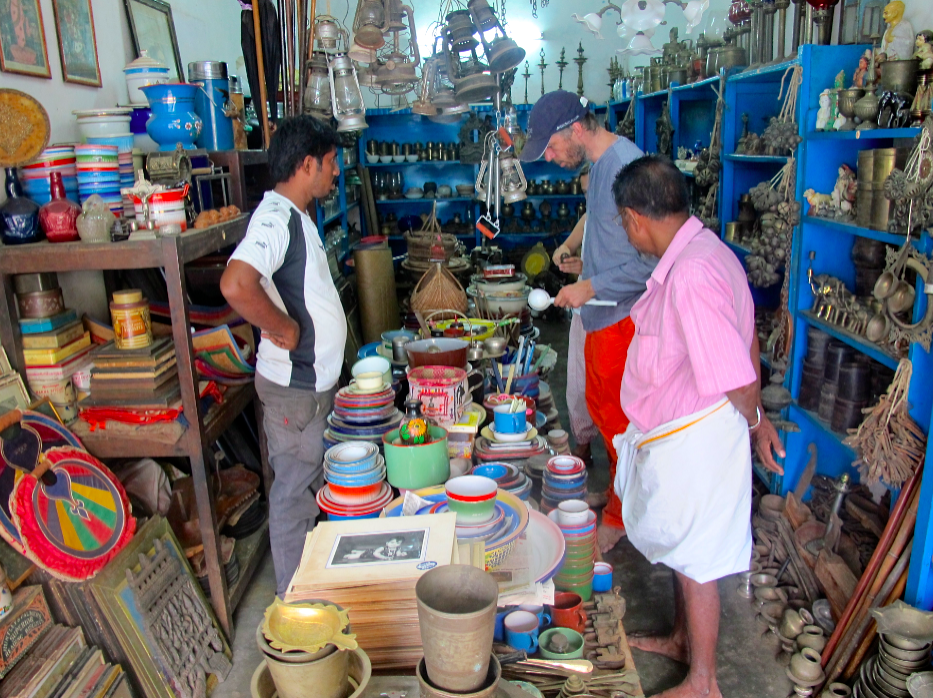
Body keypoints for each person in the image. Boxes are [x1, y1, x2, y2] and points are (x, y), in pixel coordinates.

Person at [611, 156, 784, 698]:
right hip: (683, 434)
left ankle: (704, 680)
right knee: (683, 551)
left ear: (636, 217)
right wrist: (759, 419)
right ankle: (683, 640)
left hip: (697, 437)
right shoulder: (710, 252)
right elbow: (748, 342)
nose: (625, 230)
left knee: (699, 559)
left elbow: (733, 371)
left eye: (622, 221)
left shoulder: (690, 274)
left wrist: (757, 423)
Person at [520, 90, 656, 552]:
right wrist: (586, 268)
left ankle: (620, 519)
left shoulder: (627, 169)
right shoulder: (598, 170)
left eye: (553, 147)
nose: (551, 157)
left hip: (624, 322)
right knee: (603, 414)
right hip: (602, 320)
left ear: (576, 129)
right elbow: (614, 244)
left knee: (623, 425)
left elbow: (651, 262)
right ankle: (618, 492)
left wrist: (591, 287)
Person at [220, 115, 346, 597]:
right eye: (331, 164)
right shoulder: (275, 218)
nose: (335, 173)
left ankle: (309, 588)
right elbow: (235, 283)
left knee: (308, 489)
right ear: (307, 163)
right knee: (294, 498)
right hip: (295, 394)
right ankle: (294, 610)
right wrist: (284, 328)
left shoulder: (296, 215)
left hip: (309, 391)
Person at [552, 166, 599, 469]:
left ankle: (616, 451)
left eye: (592, 189)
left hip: (611, 313)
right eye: (584, 191)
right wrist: (563, 253)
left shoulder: (623, 224)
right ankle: (583, 443)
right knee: (578, 382)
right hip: (583, 313)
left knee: (606, 385)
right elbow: (567, 244)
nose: (589, 197)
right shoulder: (589, 218)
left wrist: (588, 266)